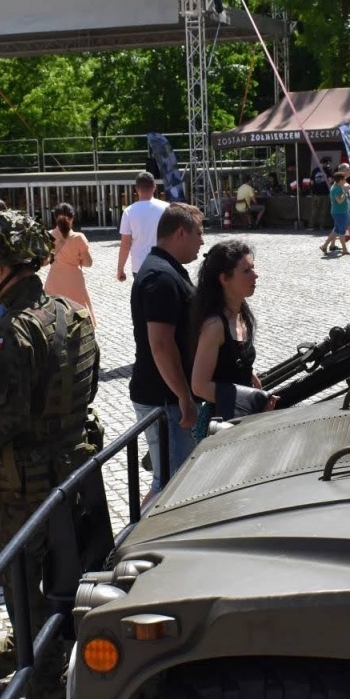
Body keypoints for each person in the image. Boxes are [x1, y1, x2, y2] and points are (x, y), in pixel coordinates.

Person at [0, 207, 107, 699]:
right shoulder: (72, 314)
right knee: (80, 585)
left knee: (28, 599)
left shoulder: (10, 333)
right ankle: (93, 674)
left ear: (0, 269)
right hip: (76, 473)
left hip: (26, 490)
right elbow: (84, 389)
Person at [129, 203, 204, 495]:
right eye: (199, 233)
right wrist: (183, 396)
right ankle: (138, 540)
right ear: (180, 233)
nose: (202, 240)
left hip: (167, 396)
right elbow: (160, 345)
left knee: (170, 482)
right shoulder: (161, 277)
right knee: (170, 486)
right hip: (164, 398)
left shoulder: (168, 269)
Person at [190, 239, 276, 426]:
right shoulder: (214, 326)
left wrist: (248, 372)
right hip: (224, 423)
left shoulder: (241, 313)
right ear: (224, 279)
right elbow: (199, 386)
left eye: (253, 267)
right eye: (246, 271)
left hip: (243, 419)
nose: (256, 275)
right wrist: (248, 399)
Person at [44, 203, 94, 318]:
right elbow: (88, 263)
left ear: (55, 218)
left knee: (54, 316)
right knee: (78, 315)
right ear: (72, 218)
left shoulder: (49, 236)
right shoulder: (78, 237)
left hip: (54, 281)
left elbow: (45, 261)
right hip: (74, 281)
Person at [115, 171, 167, 281]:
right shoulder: (167, 209)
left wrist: (120, 269)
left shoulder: (129, 212)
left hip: (140, 266)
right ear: (154, 187)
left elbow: (125, 244)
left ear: (137, 189)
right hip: (164, 263)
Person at [322, 169, 350, 256]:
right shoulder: (336, 189)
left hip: (342, 212)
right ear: (340, 180)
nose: (345, 181)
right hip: (339, 212)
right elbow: (339, 201)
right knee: (341, 231)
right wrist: (345, 192)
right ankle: (344, 249)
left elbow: (346, 190)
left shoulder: (339, 187)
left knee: (337, 230)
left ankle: (324, 246)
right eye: (344, 179)